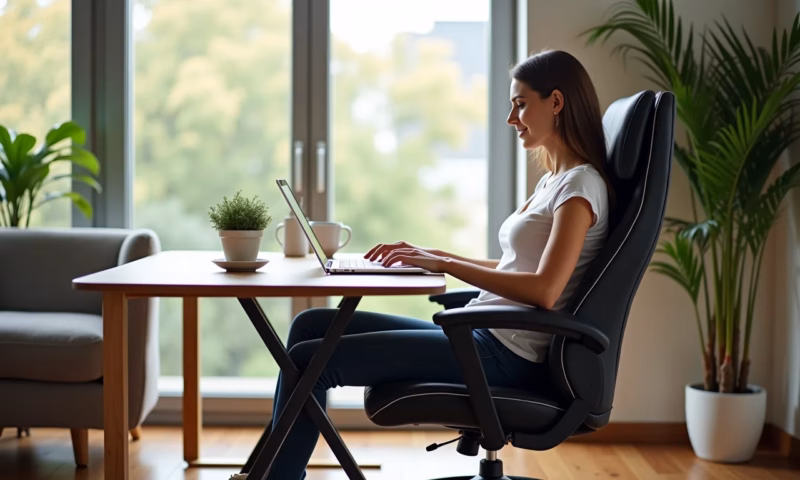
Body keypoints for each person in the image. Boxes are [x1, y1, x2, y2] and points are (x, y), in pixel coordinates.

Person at [231, 49, 613, 480]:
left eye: (521, 104)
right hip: (484, 334)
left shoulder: (580, 187)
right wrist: (434, 257)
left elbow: (544, 290)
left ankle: (277, 478)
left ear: (556, 102)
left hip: (505, 353)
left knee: (309, 360)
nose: (512, 118)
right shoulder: (554, 181)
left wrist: (445, 262)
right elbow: (515, 266)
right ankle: (270, 472)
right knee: (311, 325)